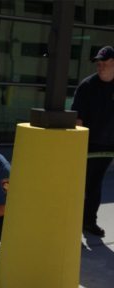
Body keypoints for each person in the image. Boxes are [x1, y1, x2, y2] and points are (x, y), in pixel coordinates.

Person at [71, 45, 114, 237]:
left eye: (104, 62)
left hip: (108, 146)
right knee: (79, 185)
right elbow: (78, 119)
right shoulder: (87, 86)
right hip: (87, 144)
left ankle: (88, 222)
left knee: (94, 184)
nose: (100, 66)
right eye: (98, 63)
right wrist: (78, 147)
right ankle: (71, 222)